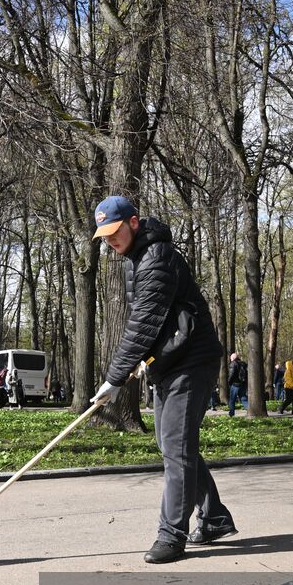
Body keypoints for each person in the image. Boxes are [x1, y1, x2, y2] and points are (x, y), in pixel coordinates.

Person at [90, 195, 235, 564]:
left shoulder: (156, 257)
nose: (110, 240)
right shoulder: (135, 259)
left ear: (133, 222)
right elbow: (150, 322)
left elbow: (142, 323)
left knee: (175, 449)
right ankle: (214, 518)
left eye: (114, 231)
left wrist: (115, 378)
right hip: (170, 362)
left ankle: (172, 536)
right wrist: (142, 363)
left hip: (192, 361)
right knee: (173, 444)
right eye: (104, 235)